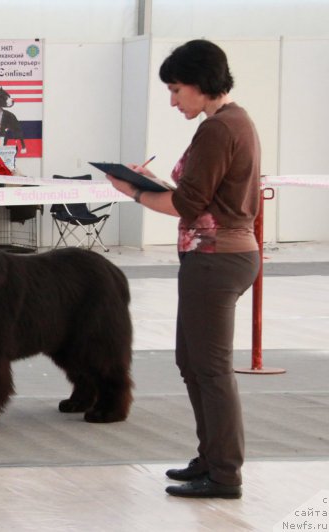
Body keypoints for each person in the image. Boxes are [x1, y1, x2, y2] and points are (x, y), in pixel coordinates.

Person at [106, 40, 260, 499]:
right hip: (220, 256)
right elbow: (202, 194)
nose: (173, 101)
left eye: (176, 90)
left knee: (210, 370)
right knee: (192, 363)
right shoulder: (235, 121)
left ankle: (224, 474)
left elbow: (188, 205)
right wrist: (151, 184)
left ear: (200, 83)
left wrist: (133, 192)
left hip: (216, 259)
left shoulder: (218, 129)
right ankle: (211, 458)